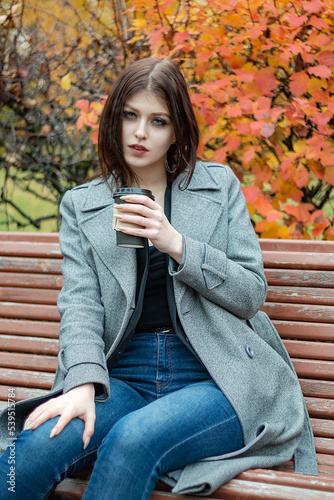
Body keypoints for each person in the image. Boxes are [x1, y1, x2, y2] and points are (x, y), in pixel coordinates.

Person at [0, 57, 318, 500]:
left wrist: (176, 243)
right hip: (122, 376)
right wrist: (82, 383)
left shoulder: (216, 186)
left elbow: (251, 293)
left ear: (177, 130)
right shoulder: (83, 204)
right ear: (114, 118)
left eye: (158, 121)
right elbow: (81, 304)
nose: (140, 133)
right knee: (29, 451)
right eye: (130, 115)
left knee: (133, 441)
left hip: (214, 376)